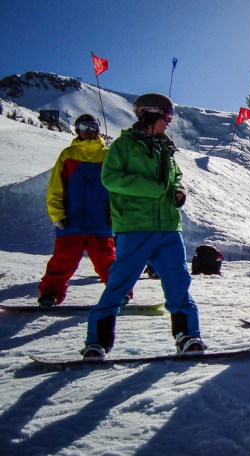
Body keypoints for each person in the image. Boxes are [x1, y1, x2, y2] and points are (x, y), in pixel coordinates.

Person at [81, 93, 205, 358]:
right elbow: (110, 178)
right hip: (136, 226)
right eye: (167, 116)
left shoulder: (166, 147)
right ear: (150, 115)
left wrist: (179, 191)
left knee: (178, 284)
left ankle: (188, 337)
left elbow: (177, 176)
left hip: (169, 228)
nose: (169, 122)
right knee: (119, 285)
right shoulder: (123, 146)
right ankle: (98, 342)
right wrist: (154, 189)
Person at [37, 114, 117, 306]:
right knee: (63, 260)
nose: (88, 132)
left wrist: (115, 214)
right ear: (77, 130)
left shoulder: (106, 157)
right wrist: (57, 214)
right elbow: (56, 187)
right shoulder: (68, 154)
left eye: (91, 128)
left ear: (98, 130)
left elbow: (116, 190)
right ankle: (50, 293)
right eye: (83, 127)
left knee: (107, 260)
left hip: (100, 220)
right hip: (72, 218)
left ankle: (118, 292)